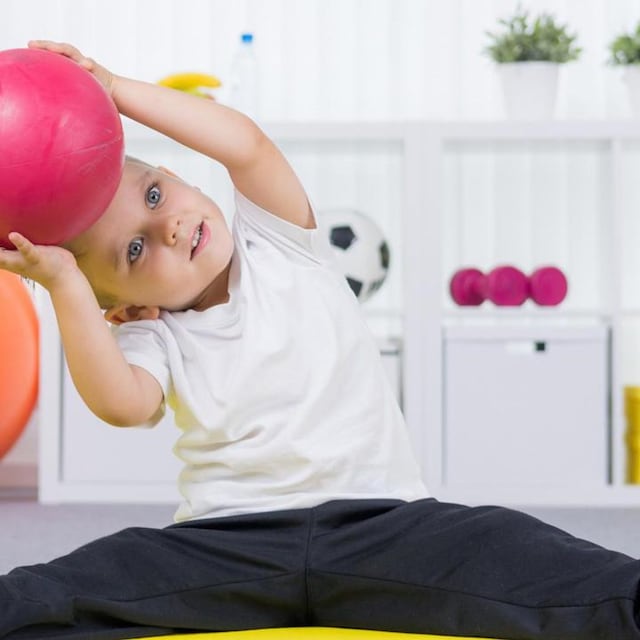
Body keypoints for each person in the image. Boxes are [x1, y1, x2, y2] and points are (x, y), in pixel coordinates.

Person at [0, 40, 638, 640]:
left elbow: (245, 144)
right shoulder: (156, 335)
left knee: (515, 549)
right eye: (135, 250)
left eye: (156, 194)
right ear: (129, 305)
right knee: (76, 584)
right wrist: (64, 286)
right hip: (231, 541)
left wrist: (112, 88)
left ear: (176, 175)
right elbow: (122, 404)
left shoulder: (279, 243)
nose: (166, 226)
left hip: (383, 525)